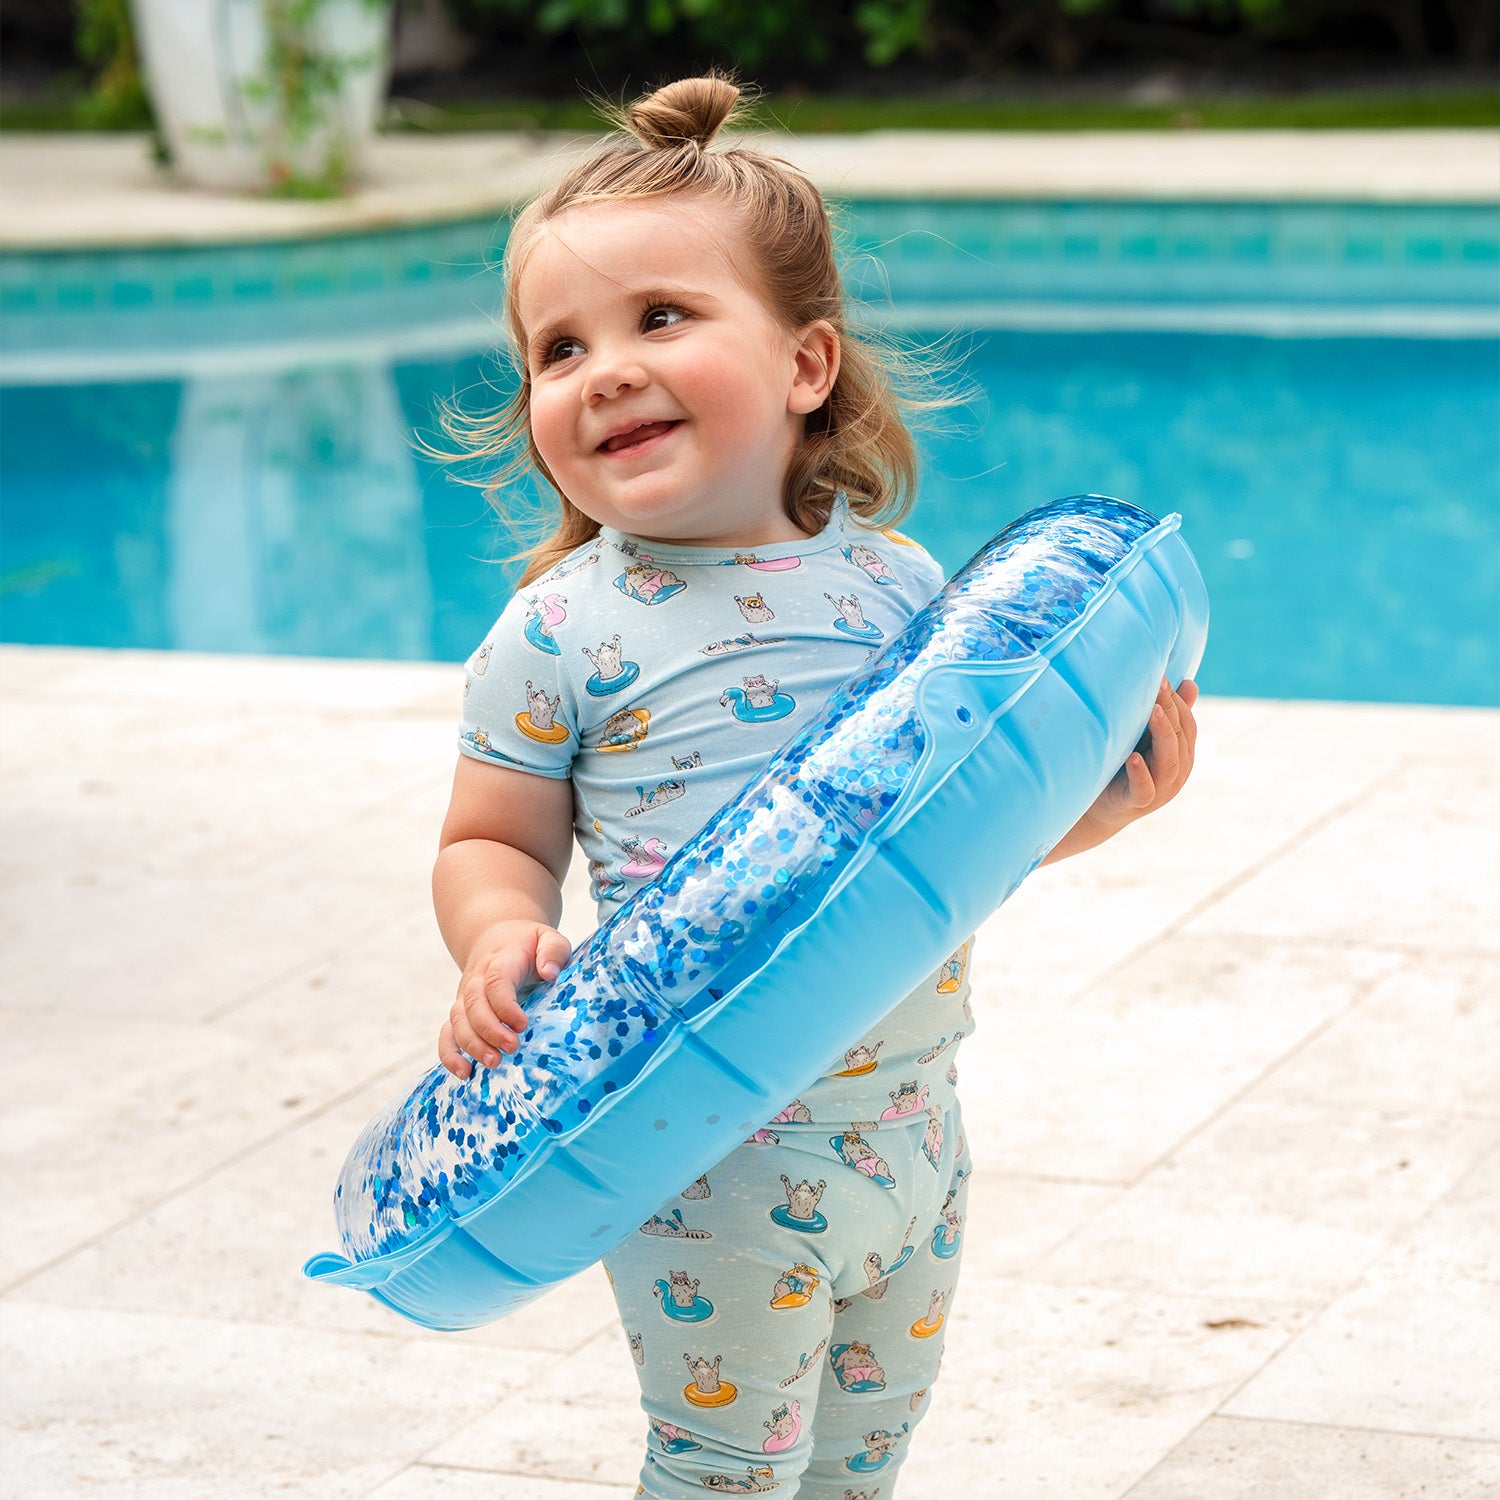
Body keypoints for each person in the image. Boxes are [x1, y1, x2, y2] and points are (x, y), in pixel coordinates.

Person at [432, 73, 1198, 1499]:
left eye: (661, 318)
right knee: (726, 1460)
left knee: (865, 1458)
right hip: (703, 1142)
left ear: (807, 364)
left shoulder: (899, 589)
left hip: (915, 1127)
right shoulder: (559, 632)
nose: (601, 368)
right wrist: (495, 938)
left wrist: (1102, 809)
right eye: (557, 346)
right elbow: (491, 836)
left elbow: (942, 847)